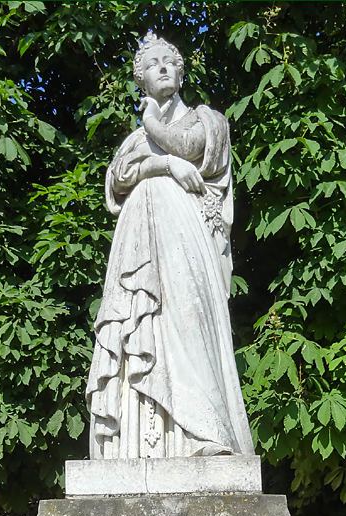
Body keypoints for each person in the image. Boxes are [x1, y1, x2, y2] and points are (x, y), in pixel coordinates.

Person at [86, 31, 253, 459]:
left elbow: (192, 148)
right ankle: (139, 446)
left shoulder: (206, 119)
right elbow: (119, 177)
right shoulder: (135, 140)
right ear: (140, 79)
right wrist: (163, 165)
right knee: (142, 328)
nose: (163, 67)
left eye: (170, 62)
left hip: (187, 243)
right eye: (153, 63)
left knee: (188, 321)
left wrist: (155, 131)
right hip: (138, 249)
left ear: (180, 72)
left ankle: (205, 431)